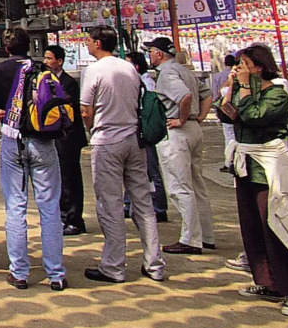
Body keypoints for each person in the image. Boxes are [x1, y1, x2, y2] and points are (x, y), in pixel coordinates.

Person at [0, 27, 68, 291]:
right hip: (44, 141)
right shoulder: (43, 68)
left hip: (13, 138)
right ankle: (56, 273)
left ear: (6, 47)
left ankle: (19, 272)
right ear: (29, 45)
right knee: (50, 206)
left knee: (16, 206)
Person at [218, 43, 288, 317]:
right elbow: (226, 113)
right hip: (246, 163)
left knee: (278, 226)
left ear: (259, 66)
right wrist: (232, 88)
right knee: (252, 227)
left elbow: (254, 115)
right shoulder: (244, 89)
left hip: (269, 166)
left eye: (244, 64)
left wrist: (243, 90)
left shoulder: (277, 93)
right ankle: (267, 281)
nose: (239, 69)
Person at [79, 26, 166, 284]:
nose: (87, 44)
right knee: (142, 201)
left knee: (110, 203)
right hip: (134, 140)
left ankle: (113, 265)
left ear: (96, 43)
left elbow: (86, 109)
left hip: (107, 141)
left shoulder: (93, 70)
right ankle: (154, 263)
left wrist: (92, 128)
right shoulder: (129, 67)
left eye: (88, 41)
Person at [145, 36, 215, 256]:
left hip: (177, 131)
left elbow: (184, 96)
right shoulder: (185, 70)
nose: (149, 55)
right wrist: (199, 116)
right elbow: (207, 94)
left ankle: (190, 238)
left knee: (179, 186)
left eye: (151, 51)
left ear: (159, 53)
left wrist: (181, 119)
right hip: (193, 128)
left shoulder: (167, 73)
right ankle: (206, 235)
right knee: (197, 184)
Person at [44, 45, 88, 235]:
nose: (45, 62)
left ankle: (74, 219)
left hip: (68, 136)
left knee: (70, 178)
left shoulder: (68, 82)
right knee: (58, 178)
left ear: (59, 61)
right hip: (55, 136)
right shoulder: (47, 81)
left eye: (49, 58)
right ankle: (63, 216)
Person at [127, 50, 171, 222]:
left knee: (152, 170)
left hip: (145, 132)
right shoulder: (136, 81)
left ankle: (159, 207)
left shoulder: (147, 84)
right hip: (135, 132)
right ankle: (129, 202)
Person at [215, 53, 239, 173]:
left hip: (229, 115)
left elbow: (219, 93)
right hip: (230, 115)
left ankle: (229, 161)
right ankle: (230, 161)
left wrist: (230, 81)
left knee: (230, 138)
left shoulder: (220, 78)